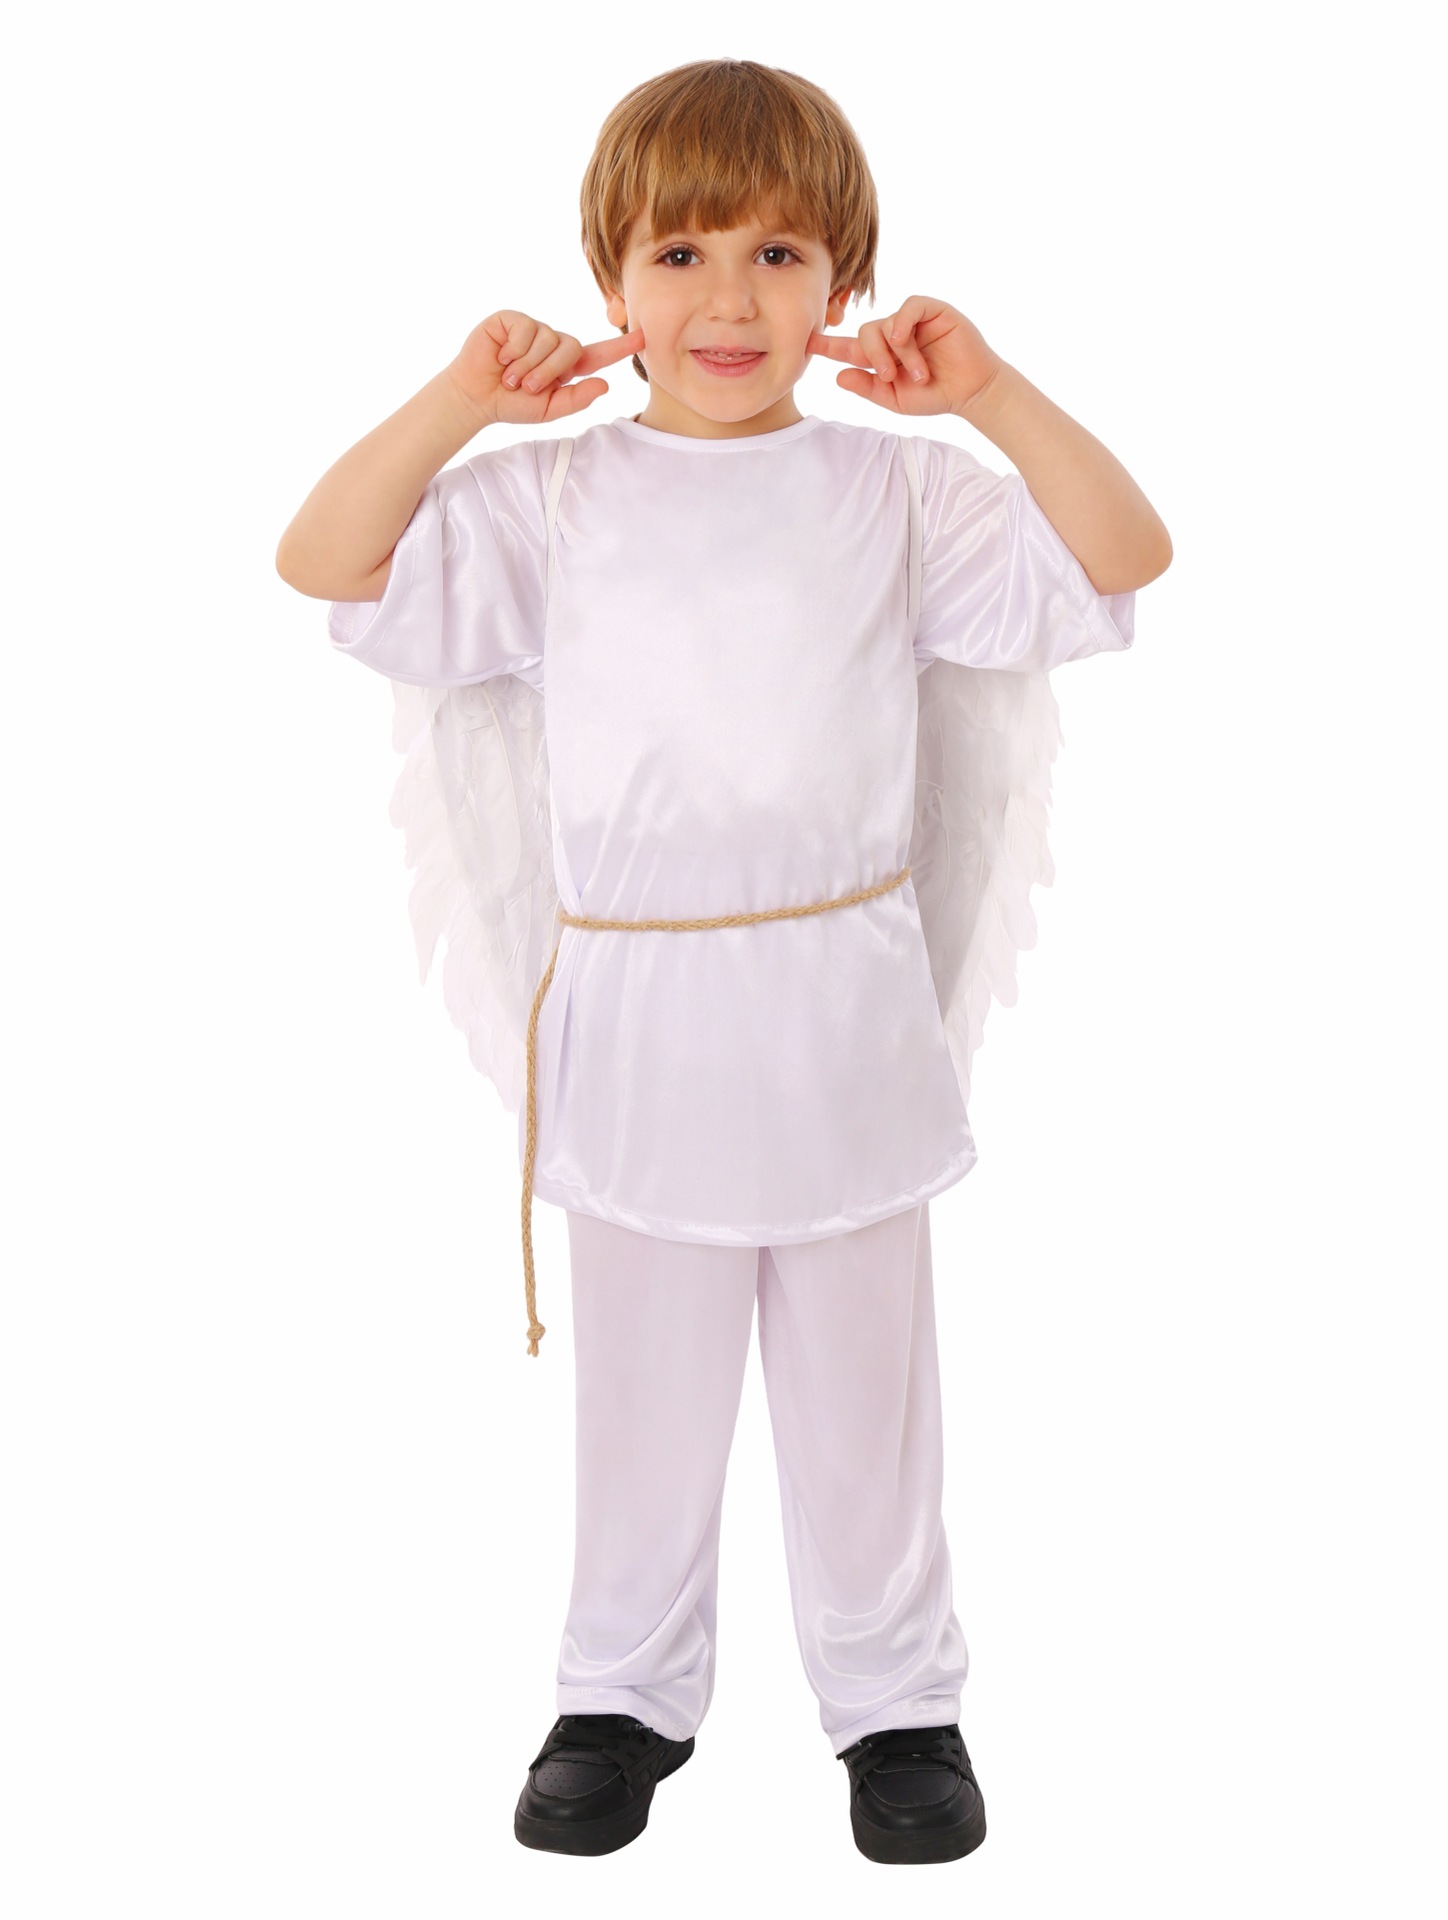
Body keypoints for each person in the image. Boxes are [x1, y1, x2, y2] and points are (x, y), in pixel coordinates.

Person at [276, 58, 1171, 1866]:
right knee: (644, 1382)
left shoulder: (898, 492)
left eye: (779, 252)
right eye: (679, 254)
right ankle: (622, 1689)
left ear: (846, 279)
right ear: (611, 282)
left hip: (841, 1008)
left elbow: (1123, 554)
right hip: (644, 1015)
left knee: (865, 1384)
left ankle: (897, 1702)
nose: (731, 299)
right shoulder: (549, 500)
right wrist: (459, 402)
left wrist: (991, 395)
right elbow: (327, 563)